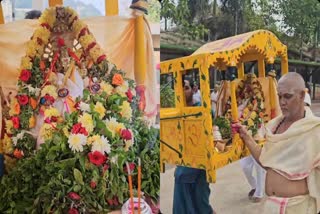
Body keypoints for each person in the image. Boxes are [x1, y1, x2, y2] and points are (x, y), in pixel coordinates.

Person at [234, 72, 320, 213]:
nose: (282, 102)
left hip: (298, 208)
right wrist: (246, 137)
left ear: (302, 96)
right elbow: (267, 161)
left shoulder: (314, 130)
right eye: (279, 96)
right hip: (271, 207)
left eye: (288, 96)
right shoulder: (275, 126)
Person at [173, 77, 214, 214]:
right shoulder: (174, 113)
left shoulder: (202, 109)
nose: (182, 91)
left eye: (186, 88)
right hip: (184, 161)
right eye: (180, 88)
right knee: (180, 176)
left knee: (202, 203)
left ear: (194, 89)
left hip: (200, 160)